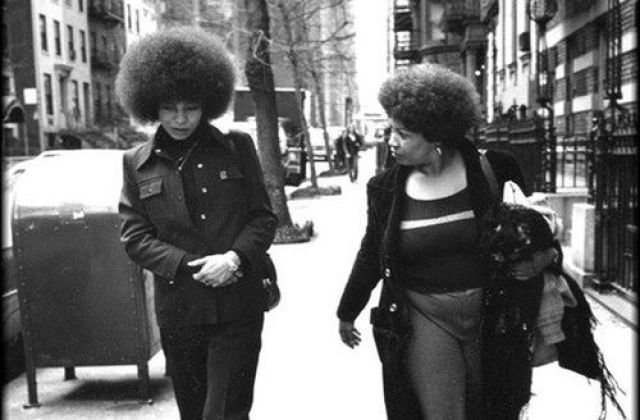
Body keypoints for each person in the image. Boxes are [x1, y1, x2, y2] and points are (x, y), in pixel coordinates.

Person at [336, 63, 560, 420]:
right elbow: (371, 252)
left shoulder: (495, 169)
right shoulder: (384, 190)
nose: (391, 141)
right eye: (391, 130)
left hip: (492, 314)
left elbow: (537, 232)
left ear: (437, 137)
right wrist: (348, 310)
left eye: (404, 134)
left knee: (491, 409)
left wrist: (543, 255)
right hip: (426, 316)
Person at [116, 27, 277, 420]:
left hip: (238, 305)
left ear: (208, 103)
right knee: (193, 412)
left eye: (190, 107)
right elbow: (135, 237)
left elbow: (262, 218)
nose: (180, 118)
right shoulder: (137, 162)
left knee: (224, 411)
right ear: (152, 105)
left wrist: (234, 260)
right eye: (170, 108)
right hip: (180, 310)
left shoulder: (237, 148)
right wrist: (191, 266)